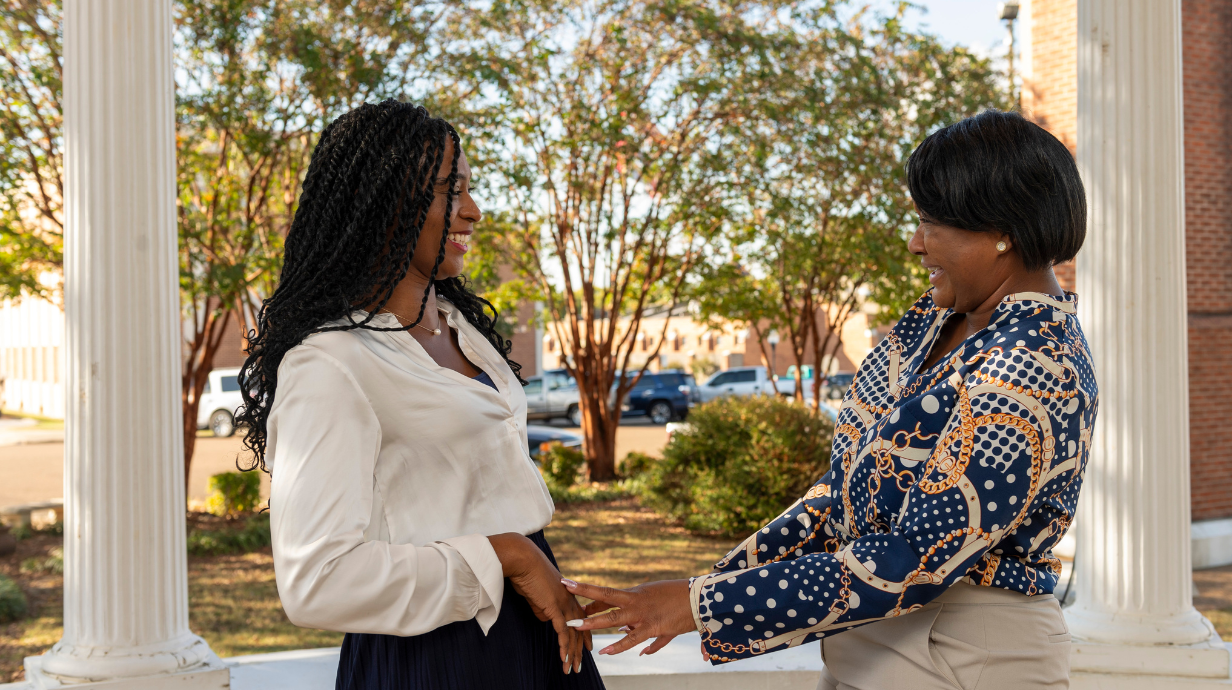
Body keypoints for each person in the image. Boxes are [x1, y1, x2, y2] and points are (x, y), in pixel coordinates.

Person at [565, 109, 1096, 690]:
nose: (916, 244)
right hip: (866, 638)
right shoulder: (936, 318)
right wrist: (706, 589)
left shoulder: (1037, 364)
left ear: (1003, 231)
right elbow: (841, 490)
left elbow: (915, 557)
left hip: (968, 652)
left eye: (930, 222)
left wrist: (700, 607)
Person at [235, 100, 604, 690]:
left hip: (532, 632)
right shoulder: (332, 364)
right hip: (435, 660)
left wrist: (529, 565)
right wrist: (503, 555)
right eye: (449, 192)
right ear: (383, 207)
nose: (474, 211)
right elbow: (317, 583)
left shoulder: (461, 330)